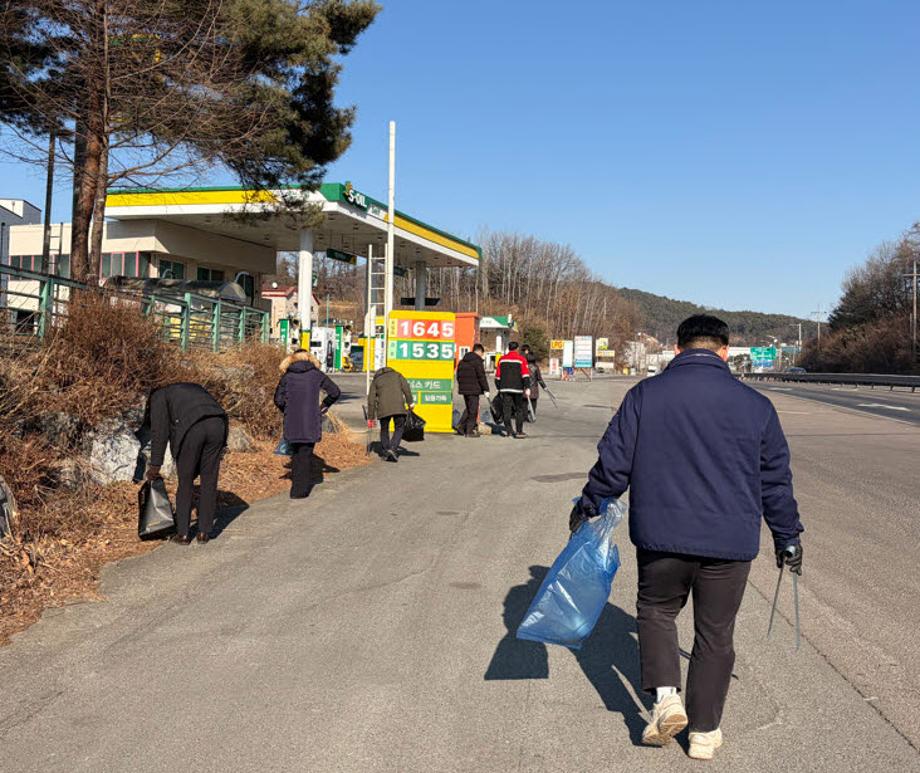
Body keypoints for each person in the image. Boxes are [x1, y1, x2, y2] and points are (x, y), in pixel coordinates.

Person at [570, 314, 804, 761]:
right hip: (730, 541)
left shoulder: (645, 395)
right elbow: (775, 481)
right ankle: (703, 733)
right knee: (715, 633)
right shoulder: (756, 406)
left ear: (678, 349)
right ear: (724, 351)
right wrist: (787, 535)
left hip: (661, 536)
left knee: (657, 611)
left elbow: (614, 463)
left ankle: (666, 699)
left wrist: (589, 505)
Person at [142, 383, 228, 544]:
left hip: (192, 429)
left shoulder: (159, 396)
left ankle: (183, 534)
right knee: (209, 480)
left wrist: (155, 466)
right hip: (218, 424)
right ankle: (204, 532)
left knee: (186, 481)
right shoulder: (191, 388)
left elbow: (159, 432)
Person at [274, 350, 341, 498]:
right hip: (311, 420)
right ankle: (300, 490)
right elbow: (335, 392)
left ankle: (297, 488)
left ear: (292, 359)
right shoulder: (317, 375)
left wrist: (287, 409)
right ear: (310, 359)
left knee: (296, 454)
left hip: (292, 420)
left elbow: (278, 399)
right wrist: (324, 405)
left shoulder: (287, 376)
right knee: (305, 454)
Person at [367, 365, 415, 462]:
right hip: (398, 407)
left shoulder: (376, 380)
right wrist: (410, 402)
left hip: (383, 409)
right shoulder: (398, 375)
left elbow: (371, 400)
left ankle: (386, 450)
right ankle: (393, 448)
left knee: (384, 429)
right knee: (399, 427)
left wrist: (370, 417)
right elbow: (406, 388)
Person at [495, 341, 531, 438]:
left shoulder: (501, 360)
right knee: (519, 410)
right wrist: (527, 387)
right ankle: (519, 431)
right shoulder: (521, 359)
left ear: (508, 348)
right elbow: (525, 375)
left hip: (505, 389)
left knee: (506, 410)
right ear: (517, 349)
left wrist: (499, 387)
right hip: (518, 389)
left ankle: (509, 431)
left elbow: (497, 376)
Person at [455, 343, 490, 437]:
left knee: (469, 409)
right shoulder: (477, 361)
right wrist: (486, 389)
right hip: (474, 389)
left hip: (464, 389)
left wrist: (462, 385)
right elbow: (481, 376)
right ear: (479, 351)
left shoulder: (462, 361)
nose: (482, 355)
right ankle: (469, 431)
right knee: (473, 410)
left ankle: (460, 427)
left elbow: (458, 375)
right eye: (482, 353)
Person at [521, 345, 546, 420]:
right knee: (533, 402)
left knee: (524, 402)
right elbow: (539, 379)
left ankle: (524, 416)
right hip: (534, 388)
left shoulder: (523, 366)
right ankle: (532, 415)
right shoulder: (536, 367)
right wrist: (544, 387)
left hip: (525, 387)